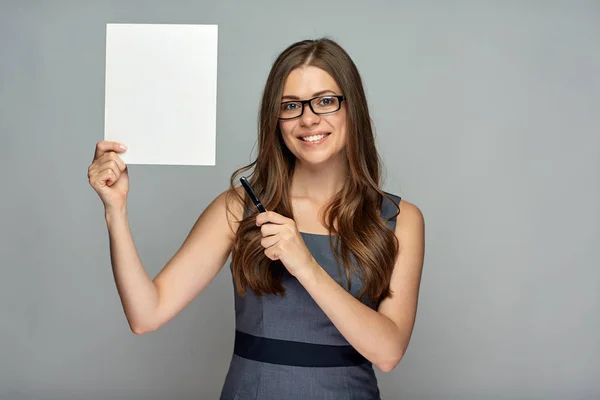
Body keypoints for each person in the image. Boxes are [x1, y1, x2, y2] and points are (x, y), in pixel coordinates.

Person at [88, 37, 425, 400]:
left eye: (326, 101)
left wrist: (306, 266)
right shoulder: (237, 208)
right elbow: (145, 314)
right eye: (291, 105)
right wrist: (115, 210)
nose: (309, 118)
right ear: (275, 120)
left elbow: (389, 353)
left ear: (352, 109)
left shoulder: (399, 219)